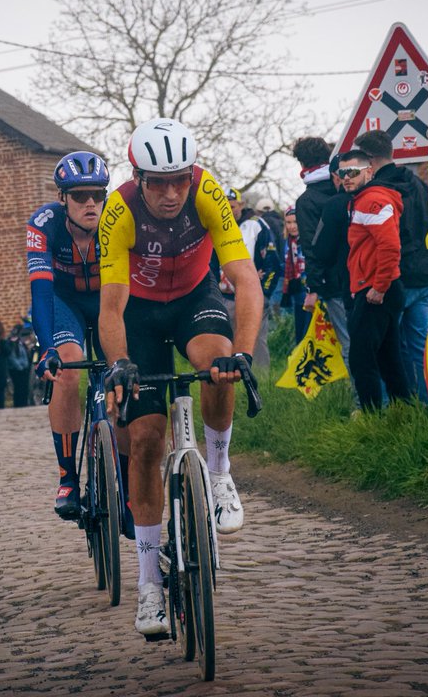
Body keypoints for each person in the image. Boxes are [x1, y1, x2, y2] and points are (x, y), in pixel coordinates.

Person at [98, 117, 260, 637]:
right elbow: (112, 305)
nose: (171, 193)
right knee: (145, 439)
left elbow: (245, 280)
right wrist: (120, 362)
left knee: (218, 366)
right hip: (140, 315)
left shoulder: (208, 192)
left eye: (179, 180)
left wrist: (246, 354)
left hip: (194, 300)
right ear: (138, 177)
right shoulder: (118, 208)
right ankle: (148, 585)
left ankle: (217, 474)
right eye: (158, 182)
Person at [26, 152, 111, 518]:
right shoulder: (44, 224)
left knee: (123, 368)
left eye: (97, 194)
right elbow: (41, 292)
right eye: (79, 196)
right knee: (69, 367)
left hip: (107, 298)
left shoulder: (117, 221)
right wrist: (48, 350)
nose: (90, 202)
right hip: (64, 302)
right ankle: (68, 478)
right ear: (63, 199)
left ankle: (122, 466)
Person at [353, 130, 428, 404]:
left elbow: (387, 242)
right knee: (422, 349)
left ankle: (390, 410)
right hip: (423, 276)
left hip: (392, 278)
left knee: (384, 351)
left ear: (370, 159)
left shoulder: (377, 192)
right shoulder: (419, 184)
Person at [343, 162, 413, 410]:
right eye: (342, 173)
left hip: (377, 290)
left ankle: (372, 419)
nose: (347, 178)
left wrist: (380, 287)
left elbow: (391, 246)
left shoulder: (372, 200)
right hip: (375, 286)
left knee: (362, 358)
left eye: (353, 172)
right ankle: (404, 414)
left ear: (369, 171)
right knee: (388, 357)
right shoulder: (361, 199)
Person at [309, 150, 371, 376]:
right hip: (384, 280)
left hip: (346, 282)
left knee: (352, 344)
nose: (343, 179)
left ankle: (363, 404)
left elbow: (320, 248)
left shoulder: (335, 205)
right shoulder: (383, 195)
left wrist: (315, 283)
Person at [294, 136, 353, 361]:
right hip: (363, 273)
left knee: (349, 343)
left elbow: (311, 247)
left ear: (302, 164)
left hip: (334, 281)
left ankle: (365, 397)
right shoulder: (348, 187)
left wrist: (314, 287)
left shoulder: (307, 201)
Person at [219, 188, 281, 373]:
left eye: (232, 206)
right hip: (225, 295)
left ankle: (261, 377)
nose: (229, 211)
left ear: (241, 205)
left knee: (256, 337)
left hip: (253, 294)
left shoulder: (257, 224)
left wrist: (265, 292)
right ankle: (229, 374)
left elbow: (273, 263)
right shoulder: (218, 223)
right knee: (225, 336)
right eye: (224, 207)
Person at [281, 207, 310, 343]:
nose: (292, 226)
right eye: (288, 222)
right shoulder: (287, 242)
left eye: (295, 222)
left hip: (309, 289)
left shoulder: (307, 238)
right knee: (299, 329)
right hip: (296, 289)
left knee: (308, 330)